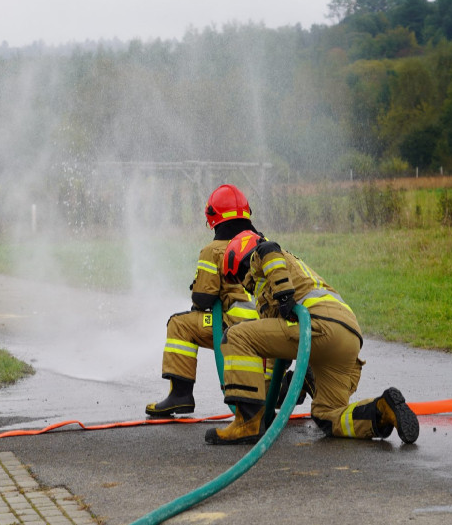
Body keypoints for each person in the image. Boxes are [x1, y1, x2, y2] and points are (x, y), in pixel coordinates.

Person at [205, 229, 418, 445]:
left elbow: (269, 250)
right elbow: (276, 355)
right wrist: (280, 389)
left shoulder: (261, 256)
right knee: (327, 414)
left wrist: (284, 293)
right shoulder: (299, 274)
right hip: (347, 335)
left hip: (317, 324)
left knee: (235, 337)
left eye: (238, 277)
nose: (243, 285)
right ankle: (382, 410)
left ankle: (246, 424)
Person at [144, 184, 262, 417]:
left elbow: (203, 297)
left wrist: (198, 295)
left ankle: (180, 396)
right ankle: (282, 385)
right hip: (265, 326)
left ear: (213, 217)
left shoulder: (214, 250)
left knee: (179, 324)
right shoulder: (262, 243)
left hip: (232, 325)